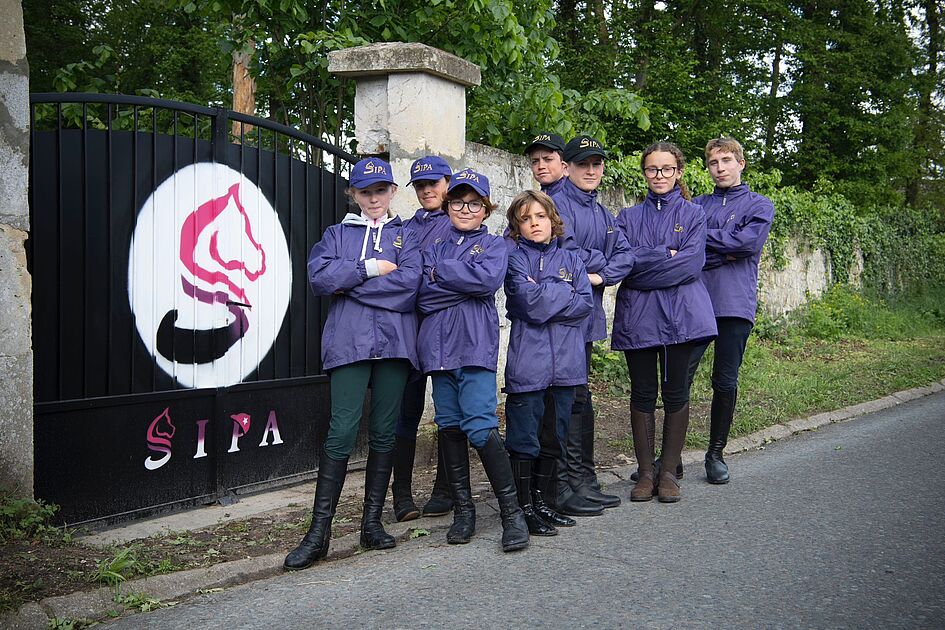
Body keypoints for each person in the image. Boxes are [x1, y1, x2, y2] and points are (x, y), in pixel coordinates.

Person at [285, 158, 421, 570]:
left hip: (395, 345)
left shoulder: (408, 236)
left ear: (392, 191)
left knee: (384, 432)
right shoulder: (336, 234)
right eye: (365, 192)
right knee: (342, 431)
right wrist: (369, 268)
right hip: (348, 343)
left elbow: (410, 286)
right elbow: (320, 279)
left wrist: (351, 286)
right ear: (353, 194)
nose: (374, 198)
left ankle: (371, 524)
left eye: (380, 190)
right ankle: (318, 534)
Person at [417, 169, 529, 552]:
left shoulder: (496, 246)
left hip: (474, 346)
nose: (465, 209)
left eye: (474, 203)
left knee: (480, 428)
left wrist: (443, 273)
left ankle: (512, 514)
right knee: (449, 426)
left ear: (486, 209)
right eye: (458, 202)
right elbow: (423, 296)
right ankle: (464, 513)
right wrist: (462, 282)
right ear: (448, 205)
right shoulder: (434, 245)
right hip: (438, 349)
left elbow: (486, 283)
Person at [612, 142, 717, 503]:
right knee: (642, 392)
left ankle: (669, 471)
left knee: (675, 393)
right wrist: (664, 254)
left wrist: (647, 263)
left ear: (678, 172)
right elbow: (624, 264)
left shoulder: (694, 214)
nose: (659, 175)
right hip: (638, 317)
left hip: (680, 318)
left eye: (666, 169)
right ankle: (645, 473)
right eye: (652, 169)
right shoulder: (627, 217)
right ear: (644, 172)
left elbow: (691, 264)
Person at [547, 135, 634, 516]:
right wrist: (598, 263)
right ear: (566, 167)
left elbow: (626, 256)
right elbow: (563, 252)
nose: (591, 170)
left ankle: (583, 479)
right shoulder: (554, 205)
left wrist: (601, 275)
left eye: (596, 163)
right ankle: (561, 484)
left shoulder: (602, 212)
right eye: (583, 163)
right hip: (561, 318)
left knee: (581, 399)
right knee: (563, 399)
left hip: (587, 316)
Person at [503, 190, 594, 536]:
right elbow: (527, 303)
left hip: (566, 369)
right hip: (529, 367)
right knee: (524, 440)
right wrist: (562, 291)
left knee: (553, 438)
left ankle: (542, 502)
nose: (534, 224)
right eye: (525, 219)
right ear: (517, 226)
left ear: (553, 220)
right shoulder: (514, 260)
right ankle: (522, 508)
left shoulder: (572, 260)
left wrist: (544, 288)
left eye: (540, 216)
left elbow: (584, 305)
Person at [688, 137, 774, 484]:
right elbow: (686, 246)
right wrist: (727, 250)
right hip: (695, 300)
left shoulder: (759, 204)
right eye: (713, 162)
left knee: (724, 380)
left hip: (735, 304)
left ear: (740, 163)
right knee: (679, 379)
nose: (720, 168)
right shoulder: (696, 205)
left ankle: (715, 454)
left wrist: (706, 242)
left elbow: (749, 244)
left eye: (726, 160)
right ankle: (669, 456)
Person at [391, 155, 457, 522]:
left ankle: (445, 489)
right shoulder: (405, 229)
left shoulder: (460, 224)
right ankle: (401, 495)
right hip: (408, 332)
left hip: (447, 330)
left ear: (448, 183)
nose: (427, 189)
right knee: (406, 414)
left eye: (433, 182)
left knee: (449, 412)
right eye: (419, 185)